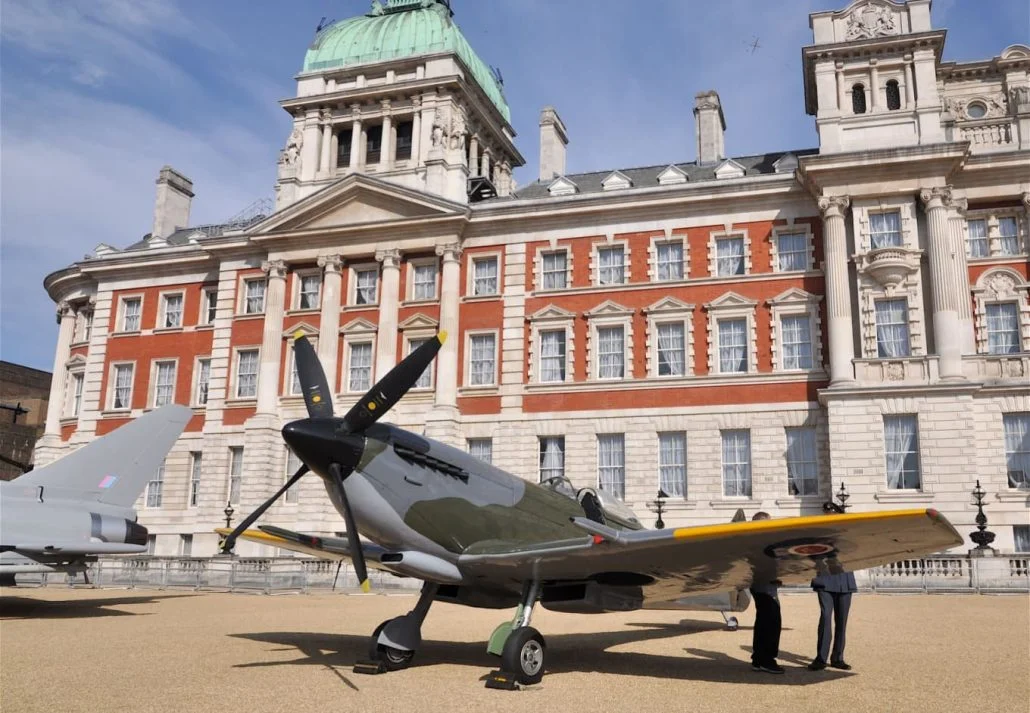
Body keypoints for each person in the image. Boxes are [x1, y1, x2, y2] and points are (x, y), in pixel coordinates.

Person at [749, 511, 784, 674]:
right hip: (763, 587)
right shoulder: (759, 542)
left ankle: (758, 659)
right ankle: (766, 659)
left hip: (765, 585)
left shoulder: (757, 541)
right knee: (771, 622)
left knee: (764, 621)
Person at [808, 569, 858, 671]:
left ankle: (837, 658)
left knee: (842, 621)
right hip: (825, 577)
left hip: (845, 578)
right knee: (825, 618)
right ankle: (821, 658)